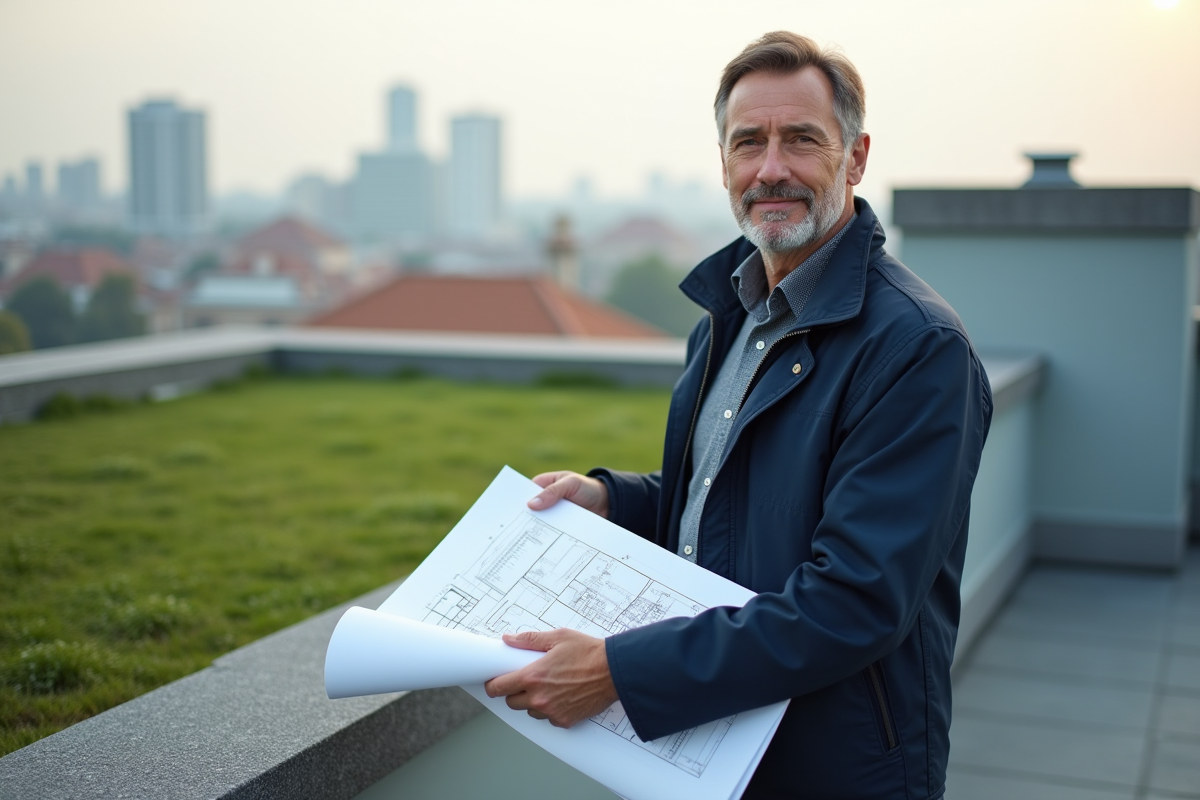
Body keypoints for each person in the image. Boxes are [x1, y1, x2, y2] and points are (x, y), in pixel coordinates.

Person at [484, 31, 991, 800]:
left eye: (801, 141)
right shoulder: (731, 315)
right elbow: (732, 501)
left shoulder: (918, 349)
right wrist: (616, 499)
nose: (771, 169)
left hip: (834, 765)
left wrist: (618, 671)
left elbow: (855, 600)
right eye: (747, 142)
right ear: (723, 161)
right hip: (716, 746)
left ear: (854, 159)